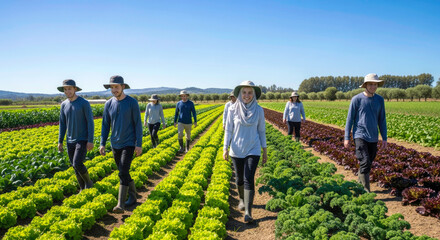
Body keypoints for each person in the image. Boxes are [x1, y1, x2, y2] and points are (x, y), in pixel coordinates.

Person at [223, 80, 267, 223]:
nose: (247, 95)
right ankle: (242, 199)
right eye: (244, 92)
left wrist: (264, 150)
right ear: (240, 94)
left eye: (249, 93)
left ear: (253, 94)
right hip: (236, 149)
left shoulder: (259, 110)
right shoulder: (232, 109)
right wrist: (225, 148)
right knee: (239, 179)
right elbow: (228, 129)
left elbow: (261, 131)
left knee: (249, 178)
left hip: (253, 149)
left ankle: (248, 212)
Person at [100, 75, 143, 213]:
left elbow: (138, 124)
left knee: (123, 171)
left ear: (123, 87)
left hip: (129, 143)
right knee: (123, 172)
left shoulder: (132, 102)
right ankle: (133, 196)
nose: (114, 90)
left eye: (116, 87)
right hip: (115, 143)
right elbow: (105, 125)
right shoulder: (108, 104)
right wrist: (102, 143)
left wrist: (139, 144)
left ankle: (121, 204)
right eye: (112, 87)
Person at [344, 73, 387, 193]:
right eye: (371, 84)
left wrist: (384, 138)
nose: (374, 86)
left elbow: (382, 119)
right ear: (365, 85)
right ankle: (365, 192)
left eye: (375, 84)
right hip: (360, 135)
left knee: (367, 164)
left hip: (373, 137)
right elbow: (350, 119)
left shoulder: (379, 100)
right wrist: (346, 137)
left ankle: (359, 186)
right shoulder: (356, 99)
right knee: (365, 161)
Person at [57, 79, 94, 192]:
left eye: (69, 89)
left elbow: (90, 122)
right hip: (70, 140)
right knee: (74, 165)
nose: (67, 91)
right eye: (65, 89)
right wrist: (60, 141)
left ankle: (88, 182)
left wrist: (90, 140)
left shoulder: (84, 103)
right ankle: (82, 188)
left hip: (82, 139)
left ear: (75, 89)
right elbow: (62, 124)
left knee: (77, 163)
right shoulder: (64, 105)